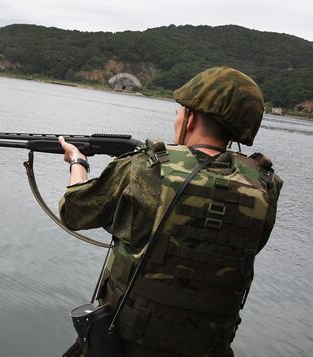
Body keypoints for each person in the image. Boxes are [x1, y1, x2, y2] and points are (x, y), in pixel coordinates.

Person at [58, 67, 283, 357]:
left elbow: (74, 212)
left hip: (127, 344)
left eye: (179, 111)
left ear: (191, 115)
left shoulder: (146, 166)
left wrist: (78, 162)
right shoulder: (265, 185)